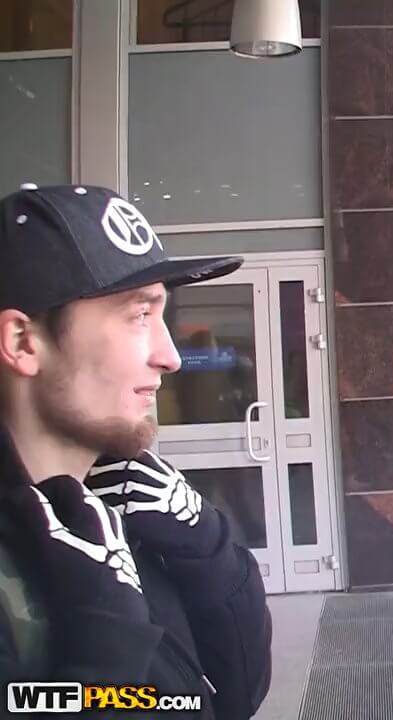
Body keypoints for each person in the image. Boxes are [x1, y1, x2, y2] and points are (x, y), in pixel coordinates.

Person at [0, 184, 272, 718]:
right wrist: (107, 640)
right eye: (138, 315)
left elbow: (234, 697)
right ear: (22, 342)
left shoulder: (124, 507)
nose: (171, 356)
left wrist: (208, 548)